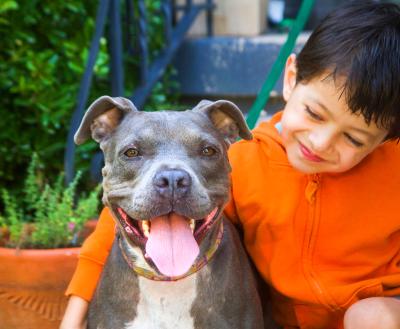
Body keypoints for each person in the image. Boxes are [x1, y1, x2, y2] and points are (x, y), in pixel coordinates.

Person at [60, 2, 400, 328]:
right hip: (290, 322)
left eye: (354, 139)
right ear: (291, 77)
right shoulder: (245, 161)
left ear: (386, 138)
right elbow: (115, 226)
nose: (321, 143)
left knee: (371, 318)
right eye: (314, 113)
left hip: (380, 313)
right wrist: (75, 312)